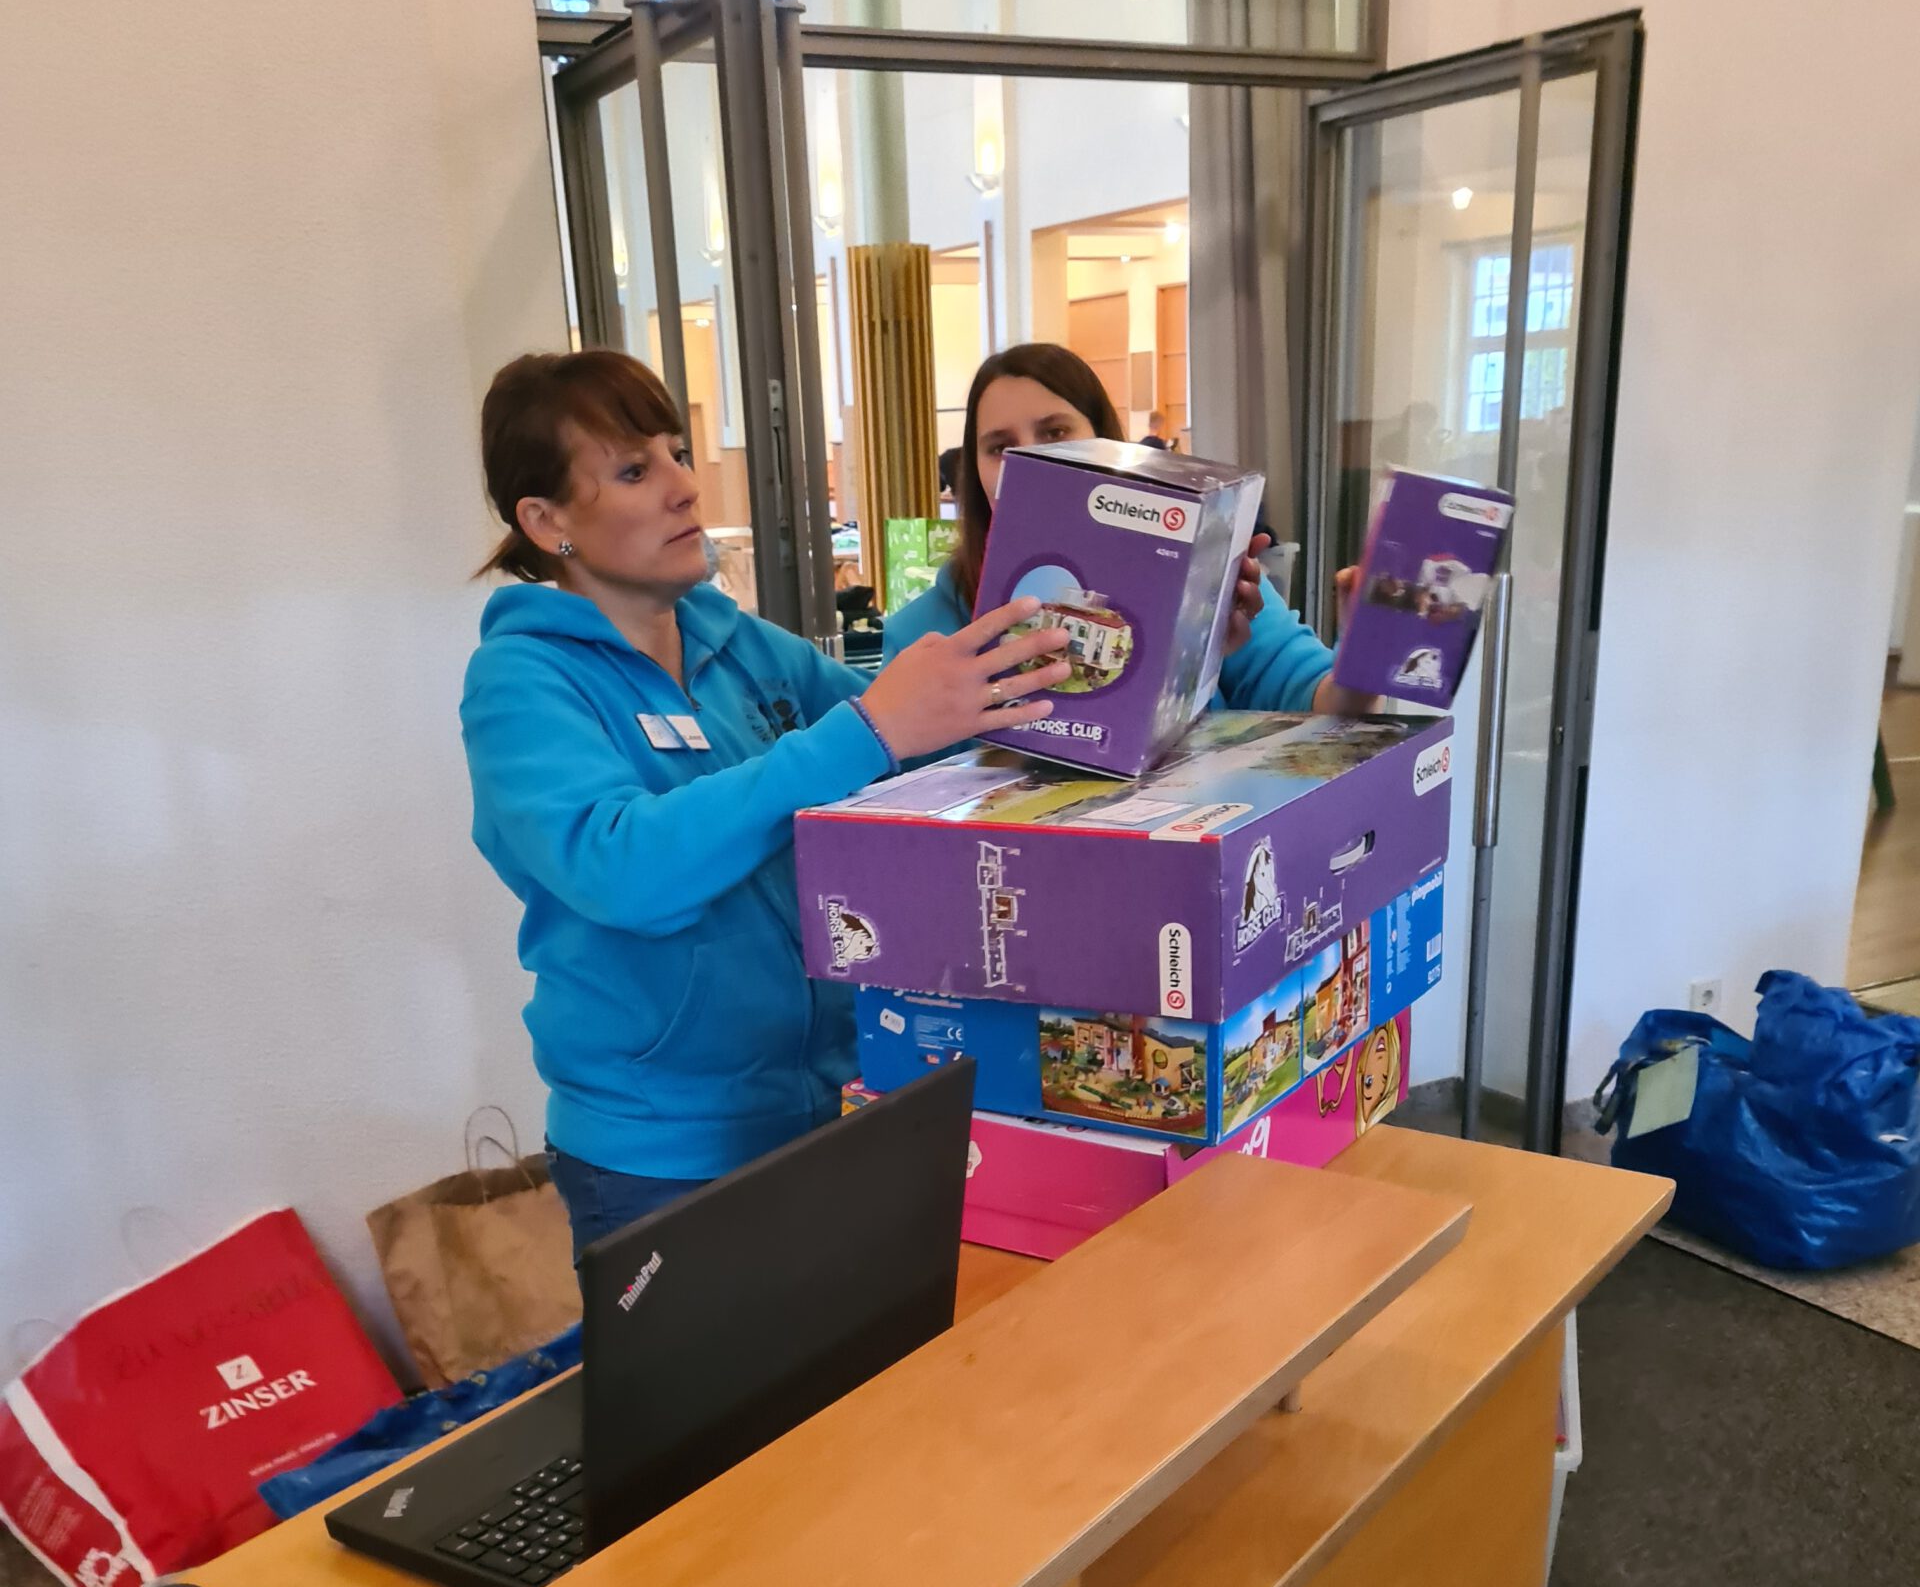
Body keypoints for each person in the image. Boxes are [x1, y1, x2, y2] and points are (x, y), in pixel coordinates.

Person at [461, 350, 1069, 1259]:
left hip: (837, 1106)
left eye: (676, 453)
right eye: (633, 471)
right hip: (664, 1158)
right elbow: (622, 867)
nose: (683, 486)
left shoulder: (736, 644)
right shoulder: (521, 681)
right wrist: (866, 732)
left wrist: (1083, 672)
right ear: (546, 521)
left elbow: (918, 752)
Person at [883, 343, 1362, 715]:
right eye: (999, 447)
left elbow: (1327, 706)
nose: (1030, 461)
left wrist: (1368, 644)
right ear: (975, 472)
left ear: (1106, 442)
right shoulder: (923, 639)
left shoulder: (1205, 577)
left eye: (1055, 433)